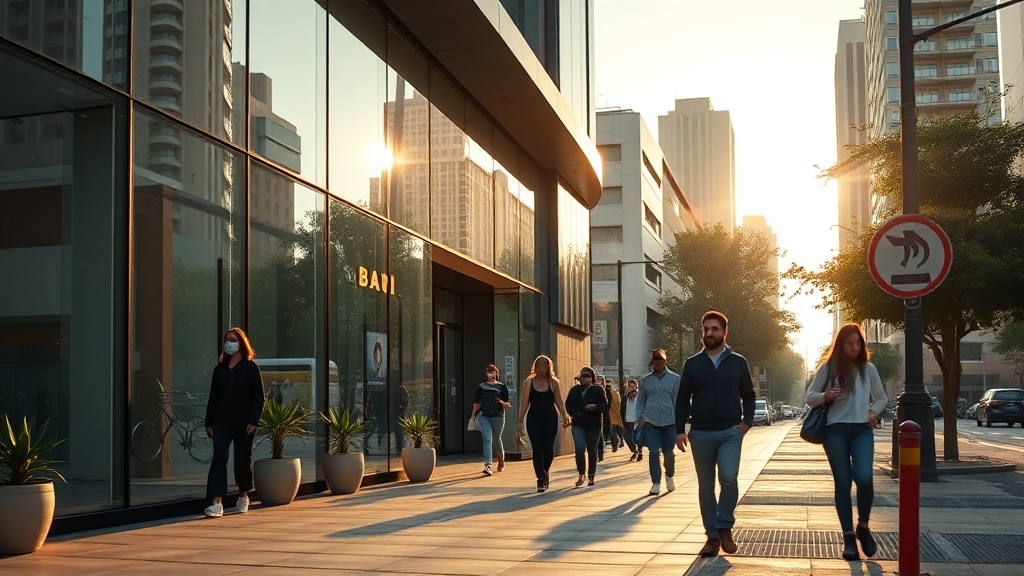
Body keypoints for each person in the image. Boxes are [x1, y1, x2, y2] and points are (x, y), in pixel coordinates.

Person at [805, 322, 888, 561]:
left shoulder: (868, 368)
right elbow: (809, 397)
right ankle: (848, 536)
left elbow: (881, 398)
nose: (854, 347)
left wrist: (873, 412)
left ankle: (863, 525)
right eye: (849, 343)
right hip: (835, 432)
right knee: (843, 481)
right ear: (841, 345)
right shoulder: (829, 367)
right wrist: (825, 395)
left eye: (857, 342)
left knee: (864, 476)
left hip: (862, 431)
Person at [675, 311, 756, 557]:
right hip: (700, 433)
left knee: (729, 480)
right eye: (706, 329)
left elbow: (749, 395)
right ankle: (712, 537)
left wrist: (746, 423)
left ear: (724, 332)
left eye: (714, 329)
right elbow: (681, 399)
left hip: (731, 431)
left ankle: (724, 527)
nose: (709, 333)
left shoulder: (738, 362)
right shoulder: (692, 363)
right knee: (706, 486)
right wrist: (680, 430)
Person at [203, 327, 266, 518]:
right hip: (221, 421)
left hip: (244, 422)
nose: (230, 343)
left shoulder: (251, 368)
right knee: (219, 457)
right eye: (227, 340)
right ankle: (216, 502)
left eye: (233, 339)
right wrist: (209, 422)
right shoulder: (219, 369)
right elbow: (213, 397)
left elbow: (259, 397)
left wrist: (253, 421)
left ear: (241, 343)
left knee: (242, 459)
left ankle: (243, 495)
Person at [516, 355, 571, 492]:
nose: (541, 370)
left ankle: (545, 469)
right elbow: (524, 402)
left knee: (548, 448)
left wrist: (565, 415)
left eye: (544, 367)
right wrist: (520, 420)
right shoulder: (529, 382)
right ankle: (540, 478)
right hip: (534, 419)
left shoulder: (553, 383)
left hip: (550, 419)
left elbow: (559, 400)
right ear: (535, 367)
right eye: (539, 367)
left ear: (548, 368)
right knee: (537, 448)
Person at [636, 348, 681, 496]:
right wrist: (640, 418)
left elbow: (677, 400)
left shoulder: (674, 379)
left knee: (669, 453)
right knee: (653, 452)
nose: (659, 363)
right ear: (652, 362)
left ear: (665, 361)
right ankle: (656, 482)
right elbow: (641, 401)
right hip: (651, 422)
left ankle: (669, 475)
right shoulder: (646, 380)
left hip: (670, 421)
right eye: (656, 360)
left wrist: (679, 419)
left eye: (661, 360)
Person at [564, 366, 608, 487]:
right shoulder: (575, 390)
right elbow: (568, 404)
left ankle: (591, 475)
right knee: (579, 448)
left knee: (591, 450)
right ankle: (581, 474)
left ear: (592, 378)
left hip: (594, 424)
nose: (584, 378)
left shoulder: (598, 390)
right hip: (578, 423)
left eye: (587, 376)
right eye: (582, 376)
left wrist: (595, 407)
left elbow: (605, 406)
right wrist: (572, 413)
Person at [470, 364, 511, 476]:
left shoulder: (502, 387)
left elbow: (508, 403)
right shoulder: (482, 387)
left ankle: (501, 458)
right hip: (484, 416)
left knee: (497, 438)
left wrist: (502, 403)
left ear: (496, 374)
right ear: (486, 373)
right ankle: (488, 465)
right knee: (487, 439)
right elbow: (477, 403)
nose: (491, 374)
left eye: (493, 372)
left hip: (498, 416)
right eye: (489, 372)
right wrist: (473, 415)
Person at [621, 378, 641, 461]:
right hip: (627, 421)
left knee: (637, 438)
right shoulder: (625, 397)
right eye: (630, 386)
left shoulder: (638, 396)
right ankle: (635, 451)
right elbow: (622, 409)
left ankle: (639, 452)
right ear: (627, 387)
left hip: (636, 421)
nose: (632, 388)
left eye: (634, 386)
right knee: (628, 438)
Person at [607, 381, 624, 452]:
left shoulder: (613, 393)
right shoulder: (613, 393)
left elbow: (617, 404)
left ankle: (615, 445)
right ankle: (619, 441)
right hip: (612, 414)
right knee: (617, 429)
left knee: (613, 430)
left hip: (614, 414)